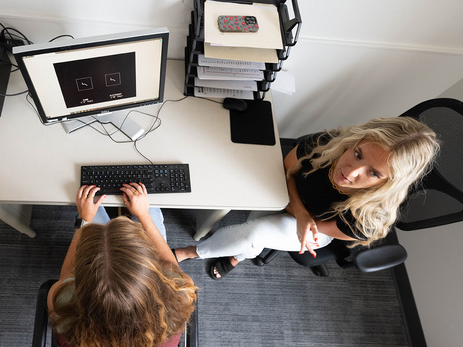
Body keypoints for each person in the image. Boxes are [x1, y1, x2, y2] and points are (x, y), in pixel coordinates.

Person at [174, 117, 440, 279]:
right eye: (357, 154)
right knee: (252, 233)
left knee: (252, 235)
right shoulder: (326, 142)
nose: (351, 171)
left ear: (388, 183)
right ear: (353, 142)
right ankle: (239, 256)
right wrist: (300, 212)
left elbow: (314, 229)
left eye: (372, 172)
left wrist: (297, 214)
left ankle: (191, 252)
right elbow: (286, 170)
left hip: (315, 227)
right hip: (289, 199)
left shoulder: (368, 218)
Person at [48, 182, 197, 347]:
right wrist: (143, 215)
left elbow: (65, 275)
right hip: (148, 339)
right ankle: (131, 213)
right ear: (150, 266)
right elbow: (169, 264)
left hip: (94, 342)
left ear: (82, 270)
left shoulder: (61, 302)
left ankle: (107, 213)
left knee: (92, 205)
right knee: (153, 210)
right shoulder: (180, 292)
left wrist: (84, 220)